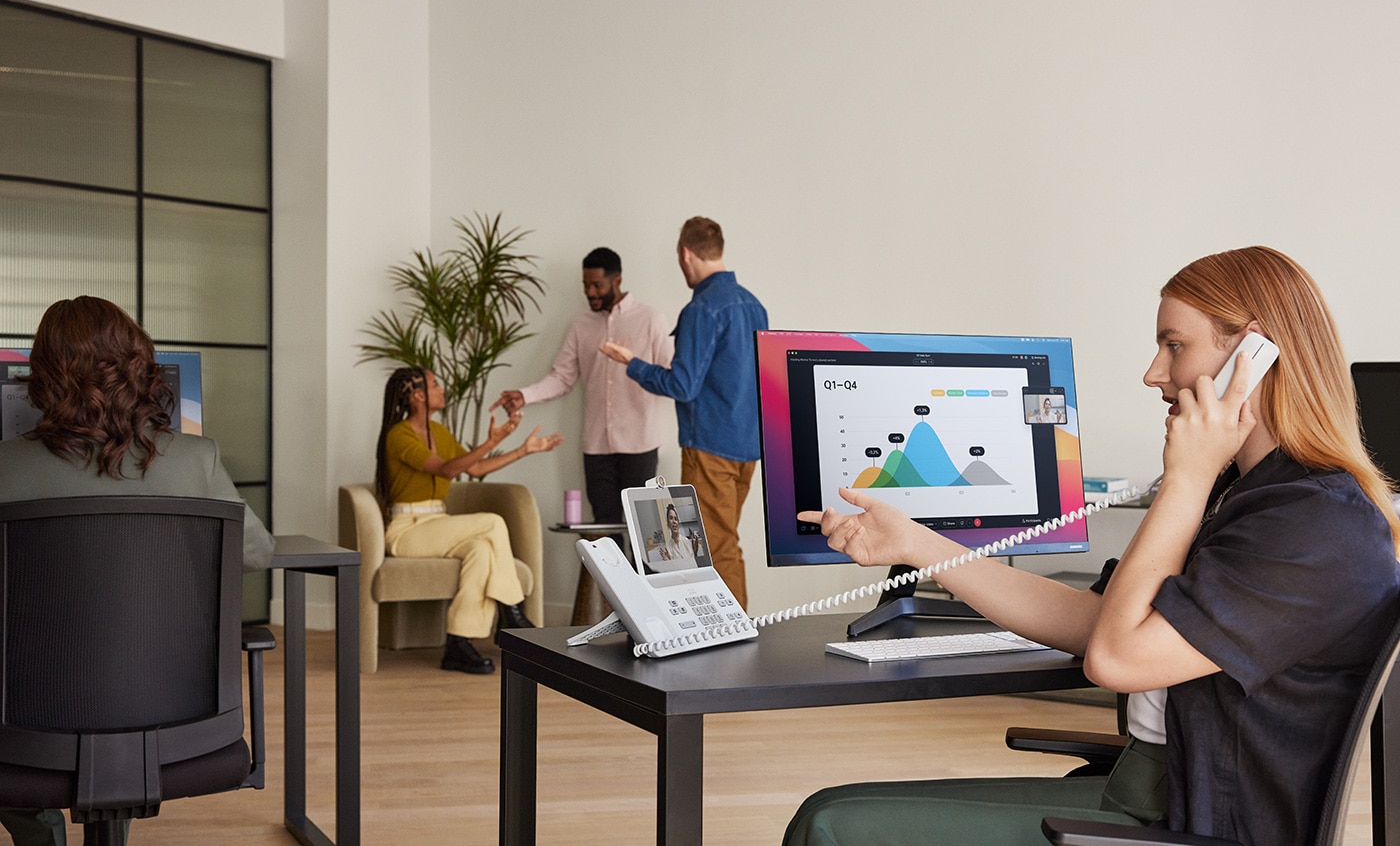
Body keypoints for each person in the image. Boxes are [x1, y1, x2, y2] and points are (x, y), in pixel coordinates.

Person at [783, 246, 1400, 846]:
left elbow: (1117, 659)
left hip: (1193, 821)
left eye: (1175, 345)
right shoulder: (1245, 497)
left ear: (1252, 356)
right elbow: (1095, 620)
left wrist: (1185, 477)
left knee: (831, 826)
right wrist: (916, 543)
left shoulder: (1315, 526)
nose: (1153, 372)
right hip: (1154, 792)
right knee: (828, 809)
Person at [0, 296, 277, 846]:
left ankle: (41, 831)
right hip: (172, 724)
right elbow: (255, 553)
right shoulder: (198, 460)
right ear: (138, 367)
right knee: (122, 672)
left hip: (27, 730)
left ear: (42, 377)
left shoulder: (5, 466)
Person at [600, 217, 768, 609]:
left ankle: (735, 644)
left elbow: (682, 385)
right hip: (748, 449)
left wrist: (632, 362)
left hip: (710, 447)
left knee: (714, 548)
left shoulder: (702, 309)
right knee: (719, 543)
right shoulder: (754, 306)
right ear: (719, 251)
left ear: (685, 254)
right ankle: (716, 636)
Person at [374, 366, 563, 675]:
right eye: (435, 384)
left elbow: (474, 469)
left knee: (481, 550)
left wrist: (523, 450)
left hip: (436, 523)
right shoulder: (399, 435)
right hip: (407, 531)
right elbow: (446, 470)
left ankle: (458, 644)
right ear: (418, 395)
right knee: (491, 522)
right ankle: (512, 611)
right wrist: (489, 442)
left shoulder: (441, 433)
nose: (442, 388)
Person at [494, 247, 673, 524]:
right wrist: (524, 395)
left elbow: (669, 376)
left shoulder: (650, 319)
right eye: (586, 285)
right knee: (604, 528)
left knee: (649, 532)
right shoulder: (581, 325)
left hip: (640, 445)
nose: (590, 292)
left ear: (617, 280)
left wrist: (634, 364)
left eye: (597, 285)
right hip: (596, 448)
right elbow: (562, 377)